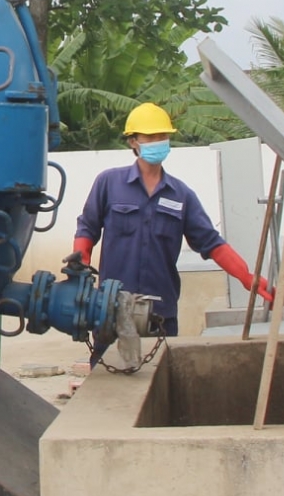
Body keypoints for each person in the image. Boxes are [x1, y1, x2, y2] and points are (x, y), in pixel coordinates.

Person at [73, 102, 272, 337]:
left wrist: (246, 276)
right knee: (108, 373)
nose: (158, 140)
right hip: (111, 307)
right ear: (133, 142)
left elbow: (211, 243)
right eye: (150, 136)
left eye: (162, 135)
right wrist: (80, 262)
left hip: (160, 312)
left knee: (160, 371)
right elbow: (87, 228)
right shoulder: (108, 183)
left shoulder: (181, 195)